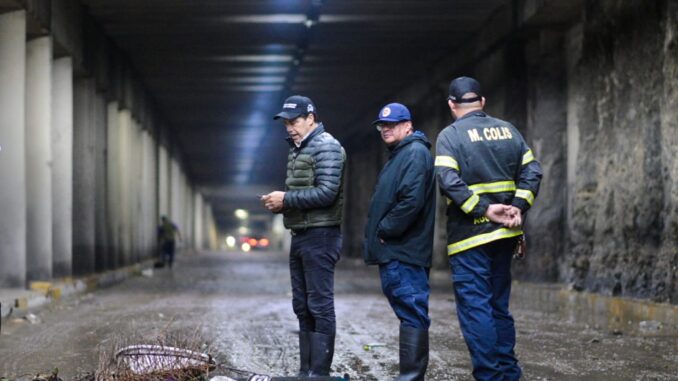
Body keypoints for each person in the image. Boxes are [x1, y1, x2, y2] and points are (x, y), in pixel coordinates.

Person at [435, 76, 542, 381]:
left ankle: (489, 376)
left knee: (475, 308)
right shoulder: (509, 130)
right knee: (498, 305)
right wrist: (518, 207)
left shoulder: (450, 136)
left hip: (469, 238)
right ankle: (508, 372)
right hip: (505, 234)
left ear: (451, 105)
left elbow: (447, 180)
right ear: (482, 102)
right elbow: (532, 171)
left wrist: (483, 209)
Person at [261, 95, 346, 377]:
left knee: (320, 305)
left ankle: (319, 373)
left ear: (311, 118)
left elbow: (327, 192)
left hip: (321, 236)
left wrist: (286, 199)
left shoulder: (327, 147)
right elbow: (305, 194)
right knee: (302, 305)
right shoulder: (299, 148)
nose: (289, 127)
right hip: (301, 235)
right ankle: (305, 372)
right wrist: (282, 205)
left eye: (294, 121)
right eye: (286, 122)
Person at [364, 103, 436, 381]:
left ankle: (411, 377)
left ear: (409, 125)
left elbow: (411, 200)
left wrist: (386, 229)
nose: (386, 129)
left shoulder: (414, 153)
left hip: (404, 250)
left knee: (412, 311)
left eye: (393, 124)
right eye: (383, 125)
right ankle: (410, 376)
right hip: (398, 249)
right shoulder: (402, 154)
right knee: (409, 310)